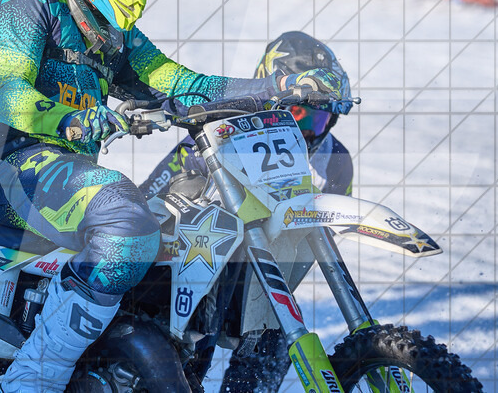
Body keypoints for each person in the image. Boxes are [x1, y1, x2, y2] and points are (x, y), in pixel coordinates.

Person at [0, 0, 348, 393]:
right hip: (12, 167)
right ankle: (33, 377)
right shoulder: (30, 3)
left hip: (66, 172)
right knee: (129, 223)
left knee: (175, 250)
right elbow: (6, 92)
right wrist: (70, 119)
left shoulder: (108, 29)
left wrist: (274, 89)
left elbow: (182, 84)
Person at [139, 31, 354, 393]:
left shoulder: (336, 161)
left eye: (319, 119)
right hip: (200, 268)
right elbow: (150, 192)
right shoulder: (216, 132)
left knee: (277, 336)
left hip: (266, 276)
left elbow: (316, 246)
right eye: (299, 113)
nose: (306, 131)